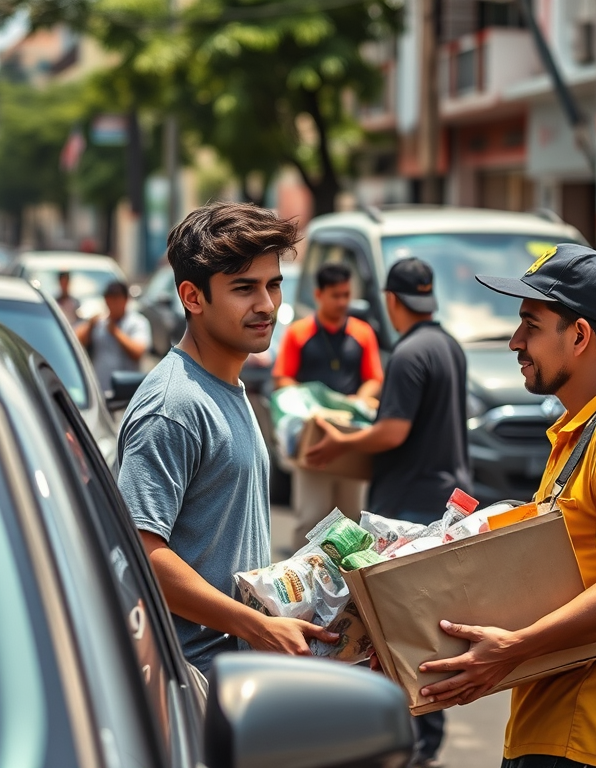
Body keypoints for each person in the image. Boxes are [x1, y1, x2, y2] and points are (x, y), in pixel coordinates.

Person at [409, 244, 596, 768]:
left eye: (531, 325)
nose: (516, 342)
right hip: (561, 732)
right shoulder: (585, 430)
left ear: (580, 335)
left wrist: (515, 645)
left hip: (594, 741)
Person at [116, 202, 337, 675]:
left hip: (239, 677)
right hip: (191, 683)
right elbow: (141, 551)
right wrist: (255, 627)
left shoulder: (229, 385)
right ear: (193, 298)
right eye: (244, 289)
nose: (266, 305)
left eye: (273, 285)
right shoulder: (173, 405)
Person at [306, 257, 471, 768]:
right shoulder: (447, 346)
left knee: (393, 628)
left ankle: (407, 738)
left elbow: (394, 431)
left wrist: (342, 443)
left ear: (392, 301)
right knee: (427, 624)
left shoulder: (406, 353)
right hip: (444, 503)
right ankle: (424, 734)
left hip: (405, 508)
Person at [273, 261, 385, 549]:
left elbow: (374, 378)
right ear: (319, 294)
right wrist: (312, 404)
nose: (342, 302)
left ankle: (350, 587)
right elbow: (282, 379)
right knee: (310, 517)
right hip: (315, 432)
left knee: (352, 519)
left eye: (346, 295)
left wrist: (360, 398)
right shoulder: (299, 333)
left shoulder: (362, 333)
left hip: (352, 434)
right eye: (336, 295)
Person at [76, 280, 152, 393]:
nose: (113, 305)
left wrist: (116, 332)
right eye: (109, 300)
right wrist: (90, 326)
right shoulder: (100, 322)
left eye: (117, 300)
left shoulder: (137, 322)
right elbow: (75, 341)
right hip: (101, 388)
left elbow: (138, 352)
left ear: (126, 300)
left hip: (127, 391)